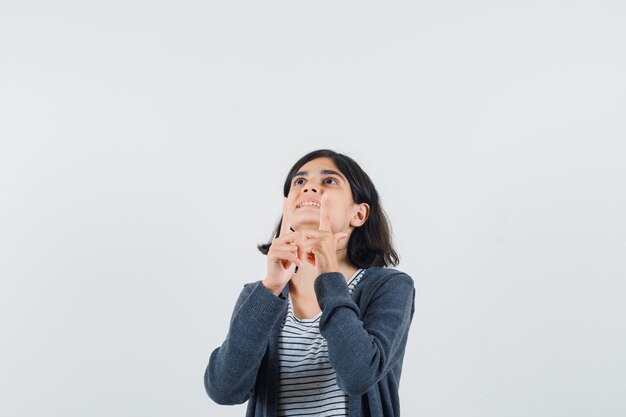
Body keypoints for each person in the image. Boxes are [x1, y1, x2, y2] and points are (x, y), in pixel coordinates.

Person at [204, 149, 416, 417]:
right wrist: (270, 288)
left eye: (329, 181)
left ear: (359, 214)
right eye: (299, 182)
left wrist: (328, 276)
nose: (309, 187)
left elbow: (358, 375)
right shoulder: (258, 295)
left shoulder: (389, 286)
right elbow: (224, 389)